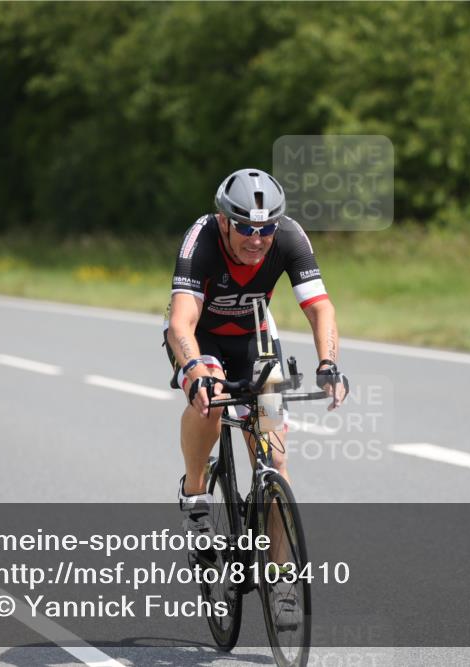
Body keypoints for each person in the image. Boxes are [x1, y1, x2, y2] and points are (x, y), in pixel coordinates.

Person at [163, 168, 347, 620]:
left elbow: (320, 307)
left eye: (265, 228)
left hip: (254, 340)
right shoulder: (201, 240)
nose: (256, 238)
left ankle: (281, 581)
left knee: (275, 460)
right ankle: (195, 494)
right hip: (200, 339)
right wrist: (193, 369)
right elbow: (180, 322)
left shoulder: (290, 237)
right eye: (244, 227)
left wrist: (328, 363)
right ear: (224, 220)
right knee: (209, 397)